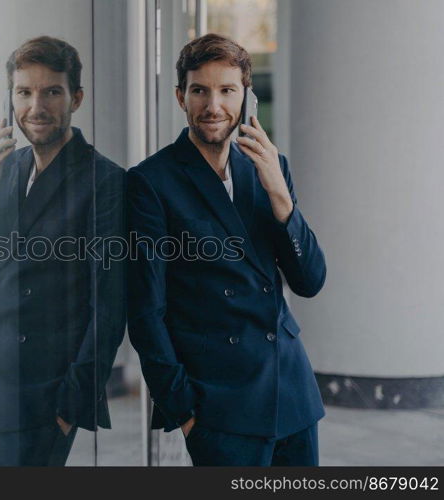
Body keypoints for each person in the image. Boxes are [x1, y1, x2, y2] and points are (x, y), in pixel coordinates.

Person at [127, 33, 327, 466]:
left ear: (246, 97)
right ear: (181, 97)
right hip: (219, 406)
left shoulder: (271, 168)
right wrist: (183, 410)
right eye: (200, 90)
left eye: (227, 90)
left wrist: (281, 197)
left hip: (290, 393)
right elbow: (145, 311)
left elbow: (310, 281)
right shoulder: (151, 181)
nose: (213, 105)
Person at [0, 36, 126, 466]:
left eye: (51, 91)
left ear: (75, 99)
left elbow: (110, 305)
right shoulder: (2, 169)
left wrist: (71, 406)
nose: (35, 106)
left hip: (40, 400)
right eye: (24, 92)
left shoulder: (105, 181)